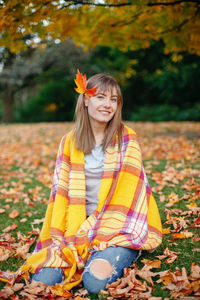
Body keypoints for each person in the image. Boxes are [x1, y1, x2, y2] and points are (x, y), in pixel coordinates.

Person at [22, 70, 162, 293]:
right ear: (86, 100)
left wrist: (99, 230)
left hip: (116, 224)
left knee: (95, 282)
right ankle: (84, 251)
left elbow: (129, 197)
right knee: (43, 281)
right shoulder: (69, 141)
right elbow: (61, 194)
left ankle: (119, 251)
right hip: (78, 224)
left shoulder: (127, 139)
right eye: (100, 97)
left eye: (113, 99)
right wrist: (69, 235)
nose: (108, 104)